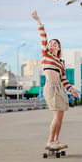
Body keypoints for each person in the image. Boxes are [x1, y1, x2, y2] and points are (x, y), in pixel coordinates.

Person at [32, 10, 79, 150]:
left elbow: (64, 79)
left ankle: (56, 141)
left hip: (60, 88)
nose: (52, 44)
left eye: (55, 43)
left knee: (60, 116)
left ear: (59, 48)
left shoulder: (60, 62)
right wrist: (38, 20)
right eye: (51, 43)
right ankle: (50, 141)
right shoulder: (46, 55)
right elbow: (43, 36)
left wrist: (71, 89)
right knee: (57, 114)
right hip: (51, 87)